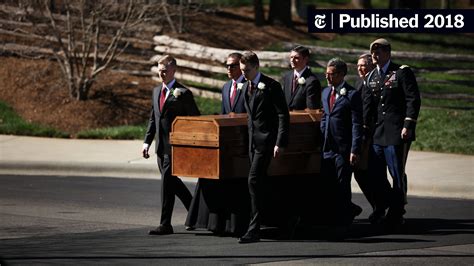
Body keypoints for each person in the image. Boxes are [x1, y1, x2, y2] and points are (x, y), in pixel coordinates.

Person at [185, 53, 249, 236]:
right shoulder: (226, 87)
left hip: (241, 143)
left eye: (233, 65)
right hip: (226, 143)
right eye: (227, 66)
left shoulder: (249, 87)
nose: (229, 69)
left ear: (241, 66)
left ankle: (234, 225)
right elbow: (222, 114)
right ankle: (214, 223)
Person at [363, 38, 421, 226]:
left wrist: (408, 125)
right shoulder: (371, 76)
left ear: (388, 53)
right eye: (373, 53)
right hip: (378, 133)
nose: (375, 56)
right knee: (376, 174)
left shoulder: (401, 72)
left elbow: (413, 100)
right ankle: (381, 206)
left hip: (397, 132)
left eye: (379, 52)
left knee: (396, 172)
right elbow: (369, 107)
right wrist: (366, 130)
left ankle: (397, 211)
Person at [143, 55, 201, 235]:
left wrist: (188, 143)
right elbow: (154, 119)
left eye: (165, 70)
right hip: (160, 147)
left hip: (176, 147)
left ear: (173, 70)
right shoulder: (155, 91)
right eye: (159, 70)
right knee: (173, 182)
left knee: (167, 183)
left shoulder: (183, 93)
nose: (162, 73)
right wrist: (146, 142)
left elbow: (195, 120)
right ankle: (195, 211)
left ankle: (165, 224)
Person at [238, 51, 290, 243]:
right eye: (242, 70)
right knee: (262, 183)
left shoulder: (271, 86)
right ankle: (279, 221)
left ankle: (254, 229)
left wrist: (280, 141)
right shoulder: (246, 87)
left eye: (247, 70)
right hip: (253, 143)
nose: (244, 74)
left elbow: (283, 115)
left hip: (267, 142)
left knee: (253, 180)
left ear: (257, 67)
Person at [320, 58, 363, 226]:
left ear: (342, 74)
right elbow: (325, 115)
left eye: (331, 74)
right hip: (327, 146)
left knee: (342, 184)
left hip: (343, 148)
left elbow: (356, 124)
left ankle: (344, 220)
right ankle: (333, 216)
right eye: (326, 74)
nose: (328, 78)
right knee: (328, 184)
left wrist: (355, 149)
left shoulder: (352, 95)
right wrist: (323, 131)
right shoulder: (325, 93)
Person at [351, 53, 377, 215]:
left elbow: (368, 110)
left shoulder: (373, 83)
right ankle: (377, 205)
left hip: (368, 133)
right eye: (359, 65)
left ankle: (381, 205)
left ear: (371, 66)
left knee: (366, 173)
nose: (360, 68)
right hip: (359, 131)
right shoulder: (358, 82)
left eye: (364, 65)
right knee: (360, 173)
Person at [282, 45, 321, 110]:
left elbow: (312, 109)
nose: (292, 60)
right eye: (291, 57)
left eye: (296, 58)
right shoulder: (287, 77)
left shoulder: (312, 81)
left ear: (305, 59)